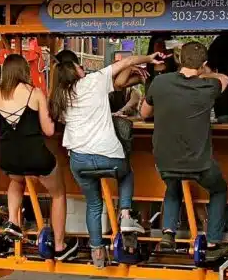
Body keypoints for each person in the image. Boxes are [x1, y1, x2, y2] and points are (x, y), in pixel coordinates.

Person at [49, 49, 164, 268]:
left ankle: (97, 254)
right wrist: (149, 58)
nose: (83, 67)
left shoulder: (59, 96)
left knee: (94, 204)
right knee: (127, 173)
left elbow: (119, 83)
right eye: (79, 66)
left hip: (79, 161)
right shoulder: (94, 81)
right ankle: (126, 215)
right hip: (108, 156)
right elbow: (127, 61)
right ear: (75, 71)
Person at [140, 40, 228, 260]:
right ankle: (213, 242)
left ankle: (168, 232)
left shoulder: (160, 83)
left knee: (173, 184)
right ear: (204, 64)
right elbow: (225, 79)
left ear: (179, 60)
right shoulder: (208, 86)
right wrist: (206, 72)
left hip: (164, 159)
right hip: (199, 162)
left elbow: (144, 114)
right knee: (218, 190)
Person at [0, 54, 77, 261]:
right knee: (58, 193)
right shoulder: (35, 93)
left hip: (9, 159)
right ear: (24, 71)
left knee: (16, 180)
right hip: (36, 157)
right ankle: (60, 246)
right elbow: (49, 131)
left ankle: (14, 223)